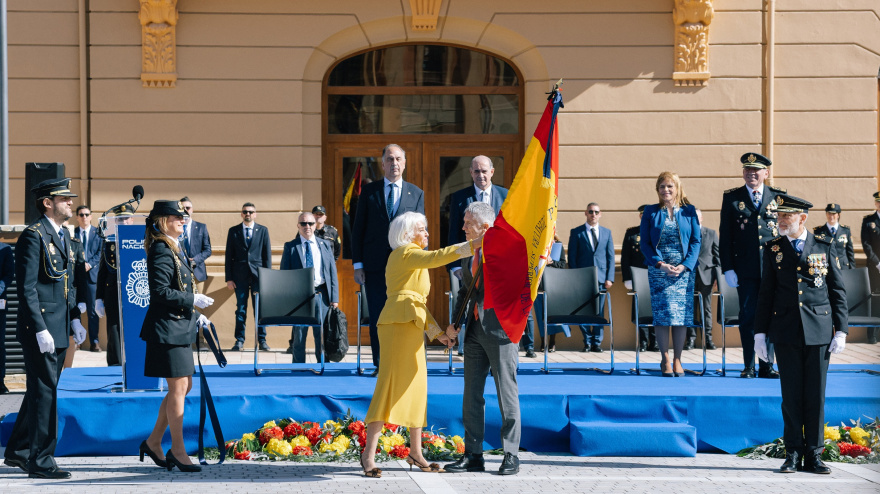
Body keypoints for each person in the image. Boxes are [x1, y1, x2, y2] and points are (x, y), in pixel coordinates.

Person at [359, 211, 479, 478]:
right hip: (396, 326)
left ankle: (416, 451)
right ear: (408, 233)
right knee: (388, 385)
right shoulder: (404, 253)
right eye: (422, 229)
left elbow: (418, 304)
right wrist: (473, 245)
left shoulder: (412, 257)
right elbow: (438, 258)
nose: (427, 234)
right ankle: (368, 454)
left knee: (417, 386)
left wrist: (439, 335)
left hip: (410, 324)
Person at [754, 193, 847, 475]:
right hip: (785, 330)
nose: (780, 220)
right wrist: (760, 333)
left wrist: (841, 329)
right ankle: (792, 453)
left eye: (787, 216)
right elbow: (766, 293)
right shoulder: (772, 248)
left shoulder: (824, 245)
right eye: (779, 216)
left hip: (819, 330)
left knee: (815, 395)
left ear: (802, 218)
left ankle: (814, 455)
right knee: (791, 395)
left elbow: (837, 290)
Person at [4, 178, 86, 479]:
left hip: (59, 326)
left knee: (42, 390)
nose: (70, 202)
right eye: (63, 198)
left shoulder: (63, 235)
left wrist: (75, 317)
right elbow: (26, 289)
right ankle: (41, 461)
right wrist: (40, 329)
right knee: (45, 394)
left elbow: (67, 282)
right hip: (41, 330)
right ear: (47, 203)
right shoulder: (33, 236)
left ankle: (18, 450)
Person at [444, 201, 521, 476]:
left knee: (506, 394)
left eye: (468, 223)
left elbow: (521, 286)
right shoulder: (469, 253)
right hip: (474, 331)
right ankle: (473, 454)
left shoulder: (504, 252)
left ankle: (511, 453)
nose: (463, 227)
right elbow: (465, 292)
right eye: (464, 222)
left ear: (485, 227)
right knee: (471, 395)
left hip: (501, 331)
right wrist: (453, 326)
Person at [139, 200, 213, 473]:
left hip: (177, 326)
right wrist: (193, 299)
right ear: (162, 221)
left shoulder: (173, 246)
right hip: (166, 329)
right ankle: (178, 450)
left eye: (183, 217)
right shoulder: (161, 248)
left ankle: (154, 442)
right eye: (176, 217)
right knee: (178, 388)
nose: (183, 220)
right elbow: (159, 292)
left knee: (184, 387)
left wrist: (195, 314)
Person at [445, 155, 537, 357]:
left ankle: (526, 344)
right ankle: (465, 345)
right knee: (467, 298)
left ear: (492, 172)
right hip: (469, 263)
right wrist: (455, 266)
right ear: (470, 173)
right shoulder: (460, 197)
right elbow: (454, 232)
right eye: (476, 171)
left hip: (500, 266)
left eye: (484, 171)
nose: (480, 175)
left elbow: (516, 229)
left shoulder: (506, 196)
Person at [351, 144, 424, 371]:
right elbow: (358, 229)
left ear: (404, 163)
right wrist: (358, 264)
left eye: (398, 159)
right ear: (382, 164)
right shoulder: (369, 193)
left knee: (404, 315)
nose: (394, 164)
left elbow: (420, 231)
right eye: (390, 160)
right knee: (378, 315)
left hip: (404, 267)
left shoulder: (416, 193)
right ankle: (381, 364)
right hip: (374, 267)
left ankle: (401, 364)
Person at [719, 152, 785, 378]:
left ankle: (767, 366)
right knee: (748, 317)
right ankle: (748, 365)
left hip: (773, 270)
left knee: (771, 316)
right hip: (745, 271)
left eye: (756, 170)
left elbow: (786, 234)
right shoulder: (732, 198)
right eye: (747, 170)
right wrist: (727, 267)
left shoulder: (779, 198)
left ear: (766, 173)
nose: (751, 174)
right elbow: (725, 236)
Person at [640, 172, 701, 377]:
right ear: (657, 190)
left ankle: (678, 359)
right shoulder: (650, 211)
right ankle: (665, 358)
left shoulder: (689, 211)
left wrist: (685, 266)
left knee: (681, 316)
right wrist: (660, 264)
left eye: (670, 186)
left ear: (677, 188)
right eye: (662, 187)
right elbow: (645, 243)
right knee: (663, 315)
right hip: (660, 270)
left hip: (683, 272)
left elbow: (695, 241)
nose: (666, 190)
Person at [280, 212, 339, 363]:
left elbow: (332, 272)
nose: (307, 227)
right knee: (299, 334)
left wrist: (334, 298)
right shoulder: (291, 246)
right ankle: (298, 367)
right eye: (304, 223)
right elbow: (284, 274)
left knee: (321, 334)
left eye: (311, 224)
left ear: (315, 225)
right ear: (298, 226)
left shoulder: (324, 244)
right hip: (300, 296)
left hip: (321, 293)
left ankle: (322, 365)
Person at [568, 202, 615, 352]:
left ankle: (597, 342)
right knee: (583, 311)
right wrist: (575, 277)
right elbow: (573, 257)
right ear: (585, 213)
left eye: (596, 212)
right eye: (590, 212)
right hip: (582, 279)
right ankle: (587, 341)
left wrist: (610, 278)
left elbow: (611, 258)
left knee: (599, 312)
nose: (593, 215)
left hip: (601, 279)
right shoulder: (576, 232)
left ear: (600, 214)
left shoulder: (607, 233)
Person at [225, 202, 272, 351]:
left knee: (260, 309)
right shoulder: (233, 231)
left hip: (259, 276)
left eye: (251, 212)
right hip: (239, 277)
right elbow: (228, 256)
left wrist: (267, 277)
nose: (248, 214)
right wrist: (229, 278)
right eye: (245, 211)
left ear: (255, 214)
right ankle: (239, 341)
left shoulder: (263, 231)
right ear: (241, 214)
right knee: (241, 309)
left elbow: (267, 257)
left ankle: (262, 340)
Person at [95, 205, 135, 366]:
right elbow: (102, 271)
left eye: (126, 218)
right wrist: (99, 297)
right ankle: (115, 364)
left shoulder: (142, 239)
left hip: (135, 291)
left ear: (132, 219)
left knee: (134, 327)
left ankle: (135, 362)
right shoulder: (109, 240)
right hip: (113, 291)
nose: (124, 222)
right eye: (120, 219)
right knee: (114, 329)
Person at [621, 204, 657, 351]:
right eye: (643, 215)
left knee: (655, 309)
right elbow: (625, 258)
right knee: (640, 309)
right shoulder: (631, 233)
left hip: (655, 276)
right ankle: (643, 341)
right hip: (637, 278)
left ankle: (655, 342)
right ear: (640, 216)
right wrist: (627, 278)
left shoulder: (658, 231)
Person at [690, 208, 719, 350]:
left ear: (701, 218)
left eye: (697, 217)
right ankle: (691, 339)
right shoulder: (685, 233)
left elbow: (717, 256)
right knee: (690, 309)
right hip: (689, 276)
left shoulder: (711, 233)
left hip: (707, 275)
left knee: (706, 309)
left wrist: (718, 278)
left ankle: (708, 339)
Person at [73, 205, 102, 351]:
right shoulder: (73, 233)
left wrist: (89, 264)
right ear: (77, 217)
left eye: (86, 214)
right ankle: (76, 342)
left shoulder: (98, 233)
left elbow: (100, 253)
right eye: (81, 215)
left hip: (92, 277)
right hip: (76, 277)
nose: (84, 217)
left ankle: (94, 342)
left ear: (91, 216)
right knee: (75, 308)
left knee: (92, 311)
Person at [860, 193, 880, 344]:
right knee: (874, 300)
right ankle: (871, 335)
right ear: (876, 203)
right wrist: (877, 263)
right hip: (874, 268)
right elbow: (866, 245)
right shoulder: (868, 221)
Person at [179, 197, 212, 291]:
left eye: (187, 208)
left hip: (197, 272)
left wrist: (195, 260)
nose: (185, 210)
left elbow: (208, 250)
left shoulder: (201, 227)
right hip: (179, 272)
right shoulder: (174, 227)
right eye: (182, 208)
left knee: (198, 304)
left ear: (192, 210)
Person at [814, 204, 854, 270]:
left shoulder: (845, 230)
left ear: (838, 215)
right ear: (826, 214)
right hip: (827, 267)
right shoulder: (819, 231)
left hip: (843, 266)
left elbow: (850, 252)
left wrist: (852, 269)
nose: (831, 216)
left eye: (834, 214)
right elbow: (818, 251)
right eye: (829, 213)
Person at [0, 241, 13, 394]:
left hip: (0, 304)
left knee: (0, 344)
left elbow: (9, 274)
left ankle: (0, 381)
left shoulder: (5, 248)